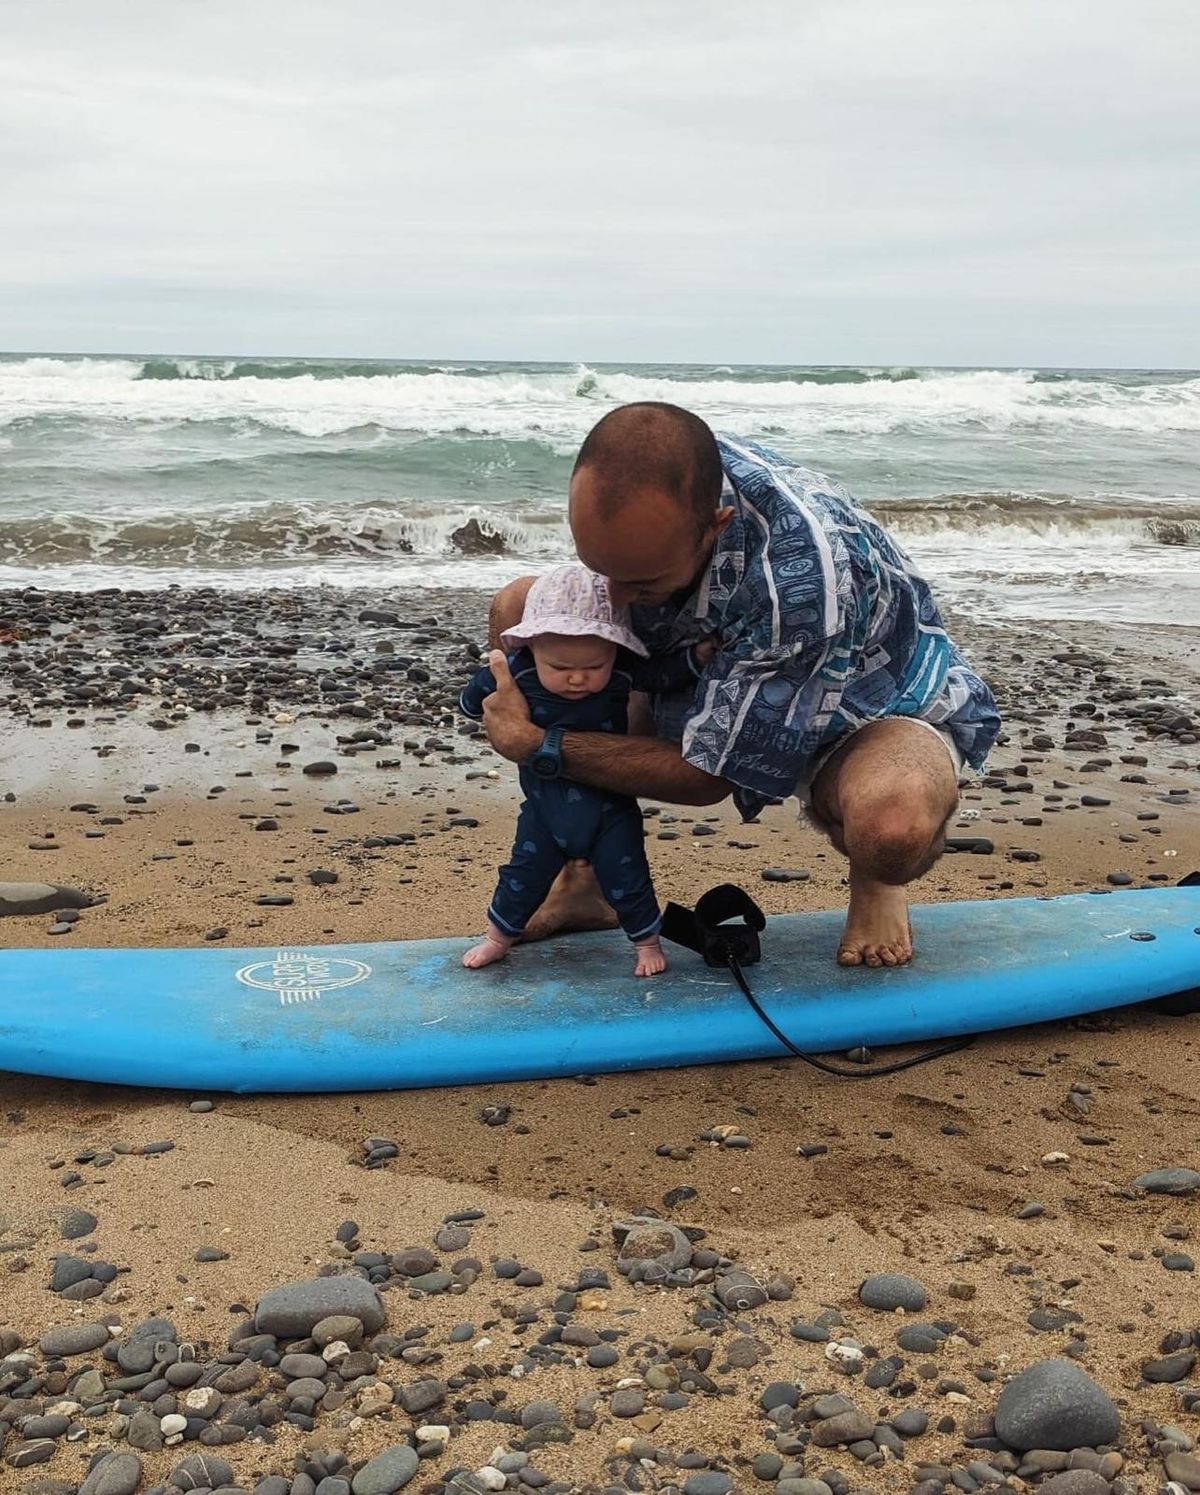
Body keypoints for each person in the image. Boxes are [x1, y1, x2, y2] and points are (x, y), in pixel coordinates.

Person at [481, 402, 1001, 969]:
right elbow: (607, 590)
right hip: (712, 648)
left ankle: (876, 880)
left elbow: (708, 777)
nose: (614, 599)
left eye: (640, 580)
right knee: (519, 610)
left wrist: (539, 744)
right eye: (599, 567)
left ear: (715, 524)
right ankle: (582, 874)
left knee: (891, 830)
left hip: (863, 701)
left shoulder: (799, 585)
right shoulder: (660, 473)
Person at [459, 561, 711, 977]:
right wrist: (484, 687)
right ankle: (497, 938)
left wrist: (697, 658)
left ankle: (646, 943)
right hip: (543, 811)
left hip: (610, 808)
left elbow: (662, 675)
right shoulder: (516, 671)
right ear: (532, 646)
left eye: (594, 667)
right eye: (560, 668)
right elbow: (473, 703)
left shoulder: (622, 673)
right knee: (521, 877)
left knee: (629, 876)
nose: (578, 679)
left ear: (615, 651)